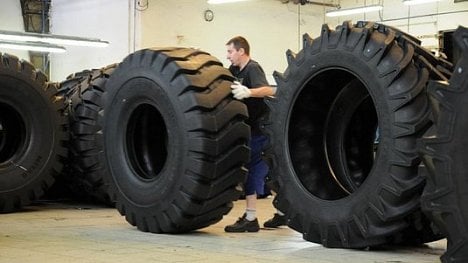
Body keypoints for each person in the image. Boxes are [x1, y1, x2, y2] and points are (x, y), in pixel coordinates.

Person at [223, 36, 285, 232]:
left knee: (251, 171)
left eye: (230, 51)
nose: (228, 55)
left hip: (260, 129)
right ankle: (284, 213)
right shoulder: (234, 70)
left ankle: (250, 218)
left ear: (241, 51)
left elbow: (269, 90)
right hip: (249, 129)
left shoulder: (253, 68)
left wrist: (249, 92)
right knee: (267, 173)